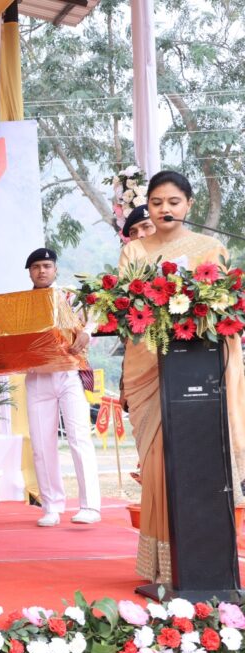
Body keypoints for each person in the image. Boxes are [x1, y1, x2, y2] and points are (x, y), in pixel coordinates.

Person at [119, 170, 245, 584]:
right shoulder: (135, 250)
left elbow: (222, 309)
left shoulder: (211, 248)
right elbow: (128, 310)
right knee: (157, 464)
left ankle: (205, 562)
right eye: (156, 203)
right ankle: (163, 566)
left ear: (189, 204)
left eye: (173, 202)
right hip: (147, 368)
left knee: (198, 460)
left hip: (198, 370)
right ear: (147, 207)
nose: (165, 209)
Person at [23, 248, 102, 527]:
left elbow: (98, 310)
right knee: (42, 445)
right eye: (36, 267)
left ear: (55, 269)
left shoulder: (70, 296)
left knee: (79, 438)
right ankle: (51, 506)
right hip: (37, 376)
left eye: (46, 266)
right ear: (29, 273)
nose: (41, 271)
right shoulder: (21, 303)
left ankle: (90, 506)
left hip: (69, 373)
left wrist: (87, 332)